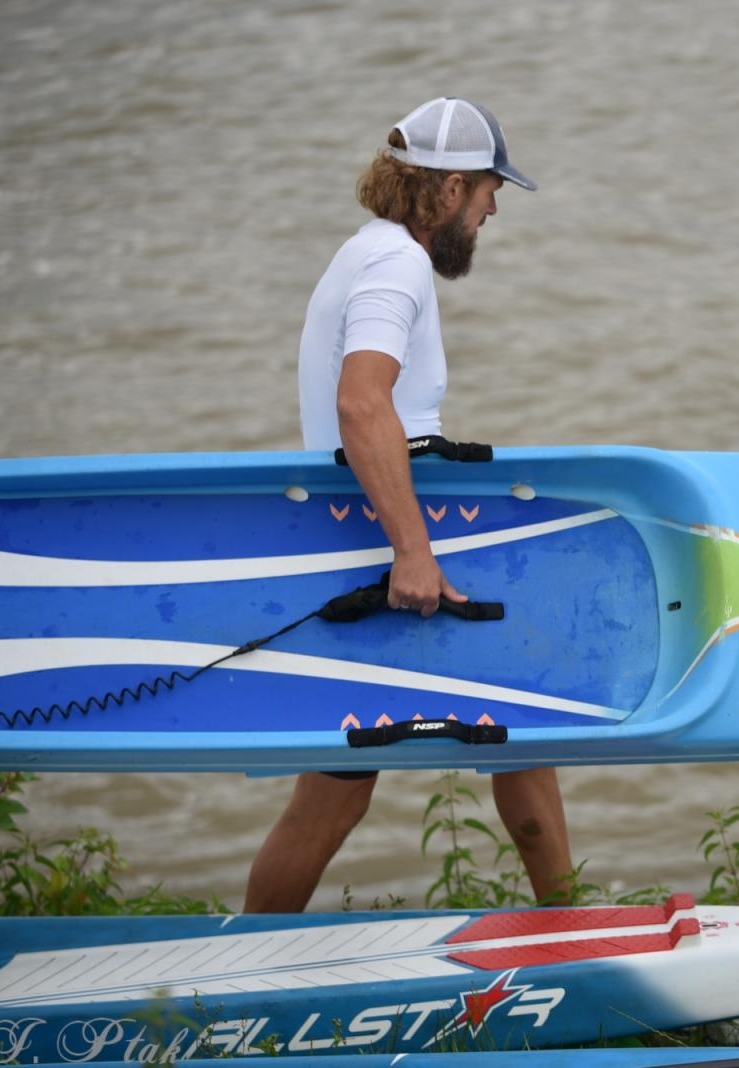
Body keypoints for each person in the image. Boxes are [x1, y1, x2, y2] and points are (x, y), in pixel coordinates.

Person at [244, 98, 573, 912]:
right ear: (451, 187)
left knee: (340, 789)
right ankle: (579, 934)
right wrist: (415, 551)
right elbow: (362, 404)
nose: (494, 209)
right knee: (516, 739)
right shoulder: (398, 265)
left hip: (357, 541)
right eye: (491, 190)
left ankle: (242, 955)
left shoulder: (364, 252)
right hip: (392, 552)